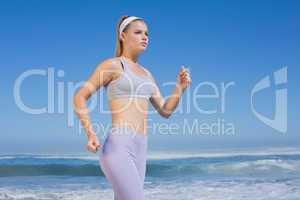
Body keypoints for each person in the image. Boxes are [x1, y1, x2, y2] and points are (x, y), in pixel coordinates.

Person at [73, 15, 192, 200]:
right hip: (119, 145)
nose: (145, 37)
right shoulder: (113, 65)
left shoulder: (147, 75)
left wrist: (179, 89)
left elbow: (165, 111)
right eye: (138, 32)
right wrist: (90, 133)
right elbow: (80, 96)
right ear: (123, 36)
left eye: (147, 33)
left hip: (141, 147)